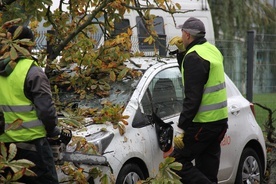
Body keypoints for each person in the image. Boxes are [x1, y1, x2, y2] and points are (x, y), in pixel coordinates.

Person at [170, 17, 229, 184]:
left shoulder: (194, 57)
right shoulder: (211, 50)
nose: (180, 36)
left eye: (182, 33)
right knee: (207, 170)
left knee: (175, 163)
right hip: (219, 121)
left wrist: (182, 128)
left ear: (188, 35)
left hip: (203, 123)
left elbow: (192, 98)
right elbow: (194, 74)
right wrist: (182, 52)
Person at [0, 26, 60, 183]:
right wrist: (53, 130)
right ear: (30, 44)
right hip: (33, 146)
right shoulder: (32, 72)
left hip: (4, 149)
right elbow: (47, 112)